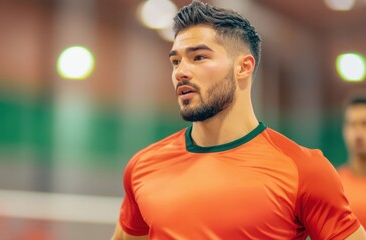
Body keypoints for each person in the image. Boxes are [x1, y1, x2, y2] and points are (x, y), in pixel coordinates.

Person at [112, 1, 366, 239]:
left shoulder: (305, 170)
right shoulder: (143, 167)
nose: (181, 72)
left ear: (244, 67)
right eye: (176, 61)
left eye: (199, 57)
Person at [338, 93, 366, 227]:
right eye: (352, 124)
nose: (358, 133)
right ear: (344, 130)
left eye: (364, 124)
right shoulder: (335, 185)